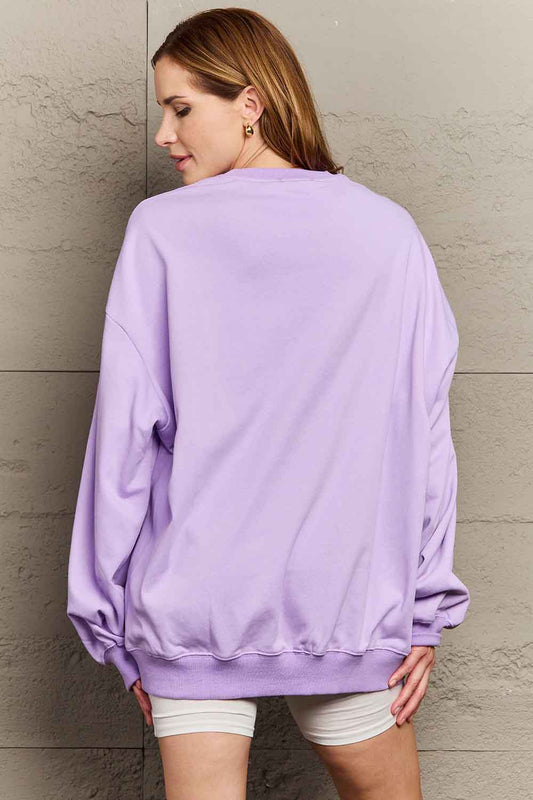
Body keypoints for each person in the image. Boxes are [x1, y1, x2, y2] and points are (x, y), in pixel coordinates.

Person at [66, 8, 470, 800]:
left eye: (181, 109)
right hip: (347, 609)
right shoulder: (388, 232)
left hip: (193, 611)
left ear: (250, 104)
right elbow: (424, 436)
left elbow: (123, 444)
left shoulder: (161, 231)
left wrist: (110, 625)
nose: (163, 134)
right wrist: (422, 609)